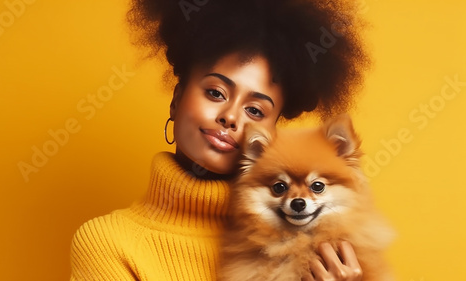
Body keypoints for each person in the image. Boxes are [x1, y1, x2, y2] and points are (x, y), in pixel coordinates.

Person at [69, 0, 370, 280]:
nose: (231, 117)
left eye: (254, 110)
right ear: (177, 99)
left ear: (271, 135)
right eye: (216, 92)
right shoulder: (108, 243)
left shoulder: (316, 234)